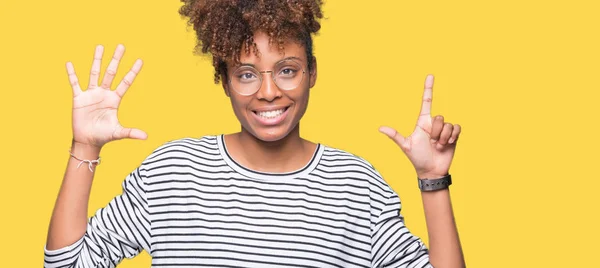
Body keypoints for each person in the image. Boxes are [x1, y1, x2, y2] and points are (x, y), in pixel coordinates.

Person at [44, 0, 465, 267]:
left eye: (286, 70)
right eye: (246, 73)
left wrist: (433, 182)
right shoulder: (172, 173)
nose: (268, 92)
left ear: (311, 73)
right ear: (223, 80)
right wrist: (85, 146)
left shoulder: (356, 185)